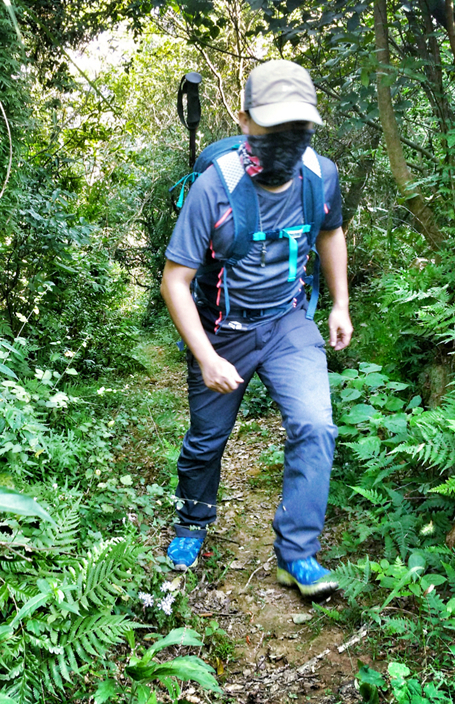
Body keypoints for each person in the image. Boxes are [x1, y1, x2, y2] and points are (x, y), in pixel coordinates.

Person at [160, 60, 352, 597]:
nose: (288, 141)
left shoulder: (321, 175)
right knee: (206, 440)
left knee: (316, 427)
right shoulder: (213, 189)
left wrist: (340, 303)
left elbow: (330, 233)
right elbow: (175, 280)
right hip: (222, 329)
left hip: (289, 321)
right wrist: (206, 356)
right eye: (275, 129)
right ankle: (192, 521)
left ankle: (297, 554)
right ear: (244, 120)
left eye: (299, 129)